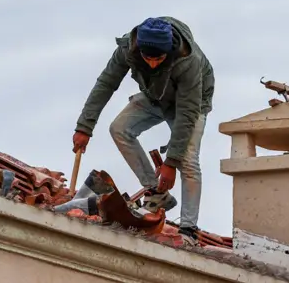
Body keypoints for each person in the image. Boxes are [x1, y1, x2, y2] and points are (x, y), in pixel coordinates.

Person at [72, 16, 215, 242]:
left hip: (191, 105)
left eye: (159, 59)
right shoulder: (127, 49)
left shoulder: (189, 61)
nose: (153, 64)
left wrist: (170, 163)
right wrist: (84, 127)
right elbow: (106, 83)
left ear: (168, 51)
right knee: (119, 128)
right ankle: (156, 192)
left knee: (187, 160)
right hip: (155, 97)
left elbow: (187, 113)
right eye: (148, 58)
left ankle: (189, 230)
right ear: (139, 50)